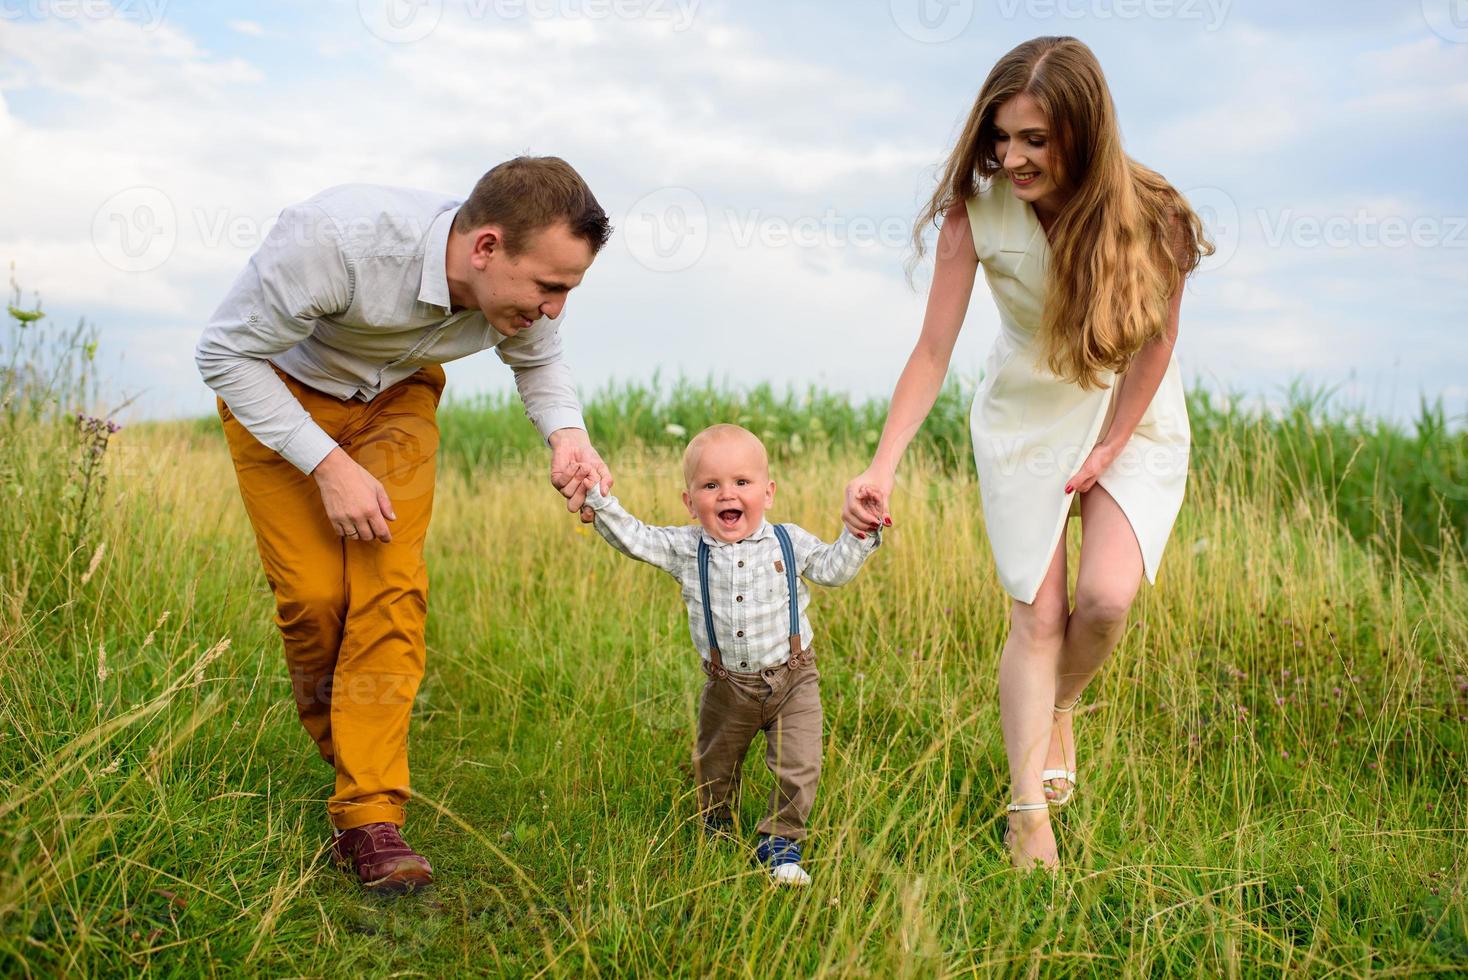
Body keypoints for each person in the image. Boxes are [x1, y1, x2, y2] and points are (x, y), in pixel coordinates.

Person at [841, 36, 1213, 870]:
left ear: (1083, 130)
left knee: (1107, 600)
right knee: (1039, 616)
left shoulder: (1156, 213)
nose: (1011, 157)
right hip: (1027, 416)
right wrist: (882, 462)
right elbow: (932, 350)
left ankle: (1059, 709)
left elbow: (1156, 345)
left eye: (1034, 140)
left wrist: (1114, 442)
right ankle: (1024, 817)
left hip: (1133, 410)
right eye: (1001, 137)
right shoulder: (973, 218)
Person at [196, 156, 615, 893]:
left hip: (396, 406)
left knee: (390, 593)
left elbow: (540, 365)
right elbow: (225, 353)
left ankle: (369, 817)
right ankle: (357, 749)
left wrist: (568, 437)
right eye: (548, 287)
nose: (554, 309)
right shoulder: (336, 241)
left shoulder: (515, 299)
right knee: (316, 600)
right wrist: (327, 465)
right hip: (280, 396)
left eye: (569, 291)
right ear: (485, 247)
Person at [571, 424, 883, 884]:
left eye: (741, 483)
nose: (726, 495)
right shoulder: (685, 548)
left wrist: (859, 534)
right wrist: (599, 502)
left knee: (799, 766)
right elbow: (636, 538)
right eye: (710, 485)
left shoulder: (788, 542)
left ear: (768, 492)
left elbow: (834, 570)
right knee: (715, 764)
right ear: (689, 501)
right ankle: (717, 823)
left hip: (793, 678)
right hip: (727, 686)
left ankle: (780, 843)